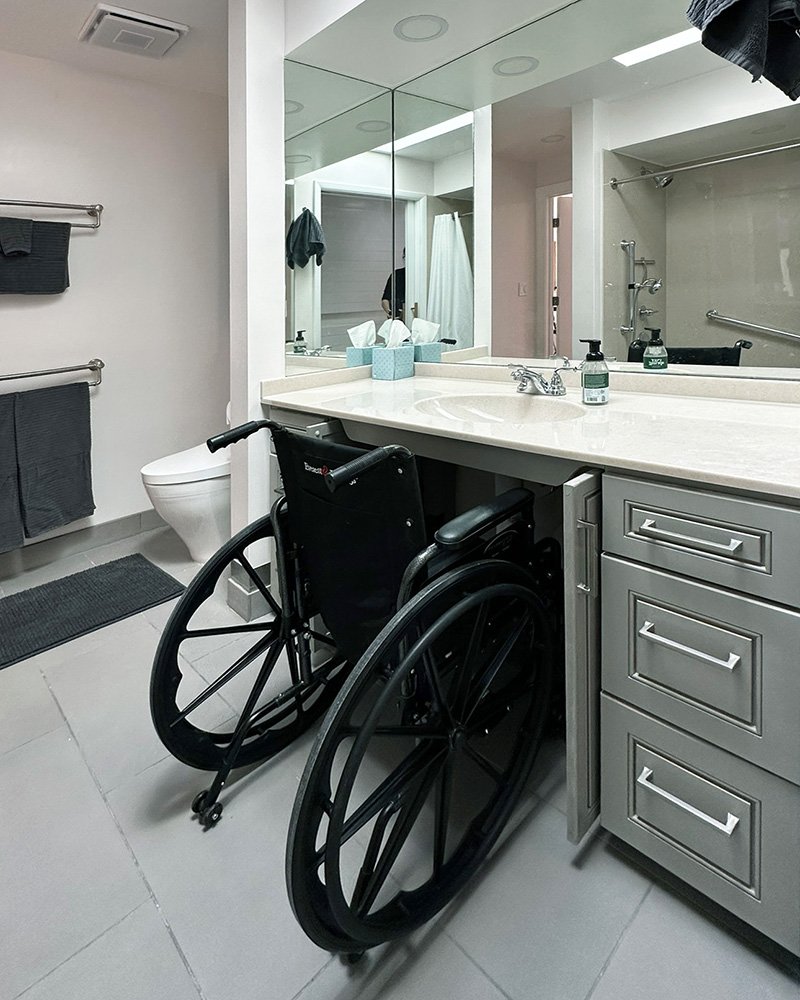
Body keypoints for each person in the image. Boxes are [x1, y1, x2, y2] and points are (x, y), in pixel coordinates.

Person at [381, 249, 406, 319]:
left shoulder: (420, 278)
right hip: (397, 318)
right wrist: (390, 312)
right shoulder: (396, 275)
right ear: (404, 257)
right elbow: (385, 299)